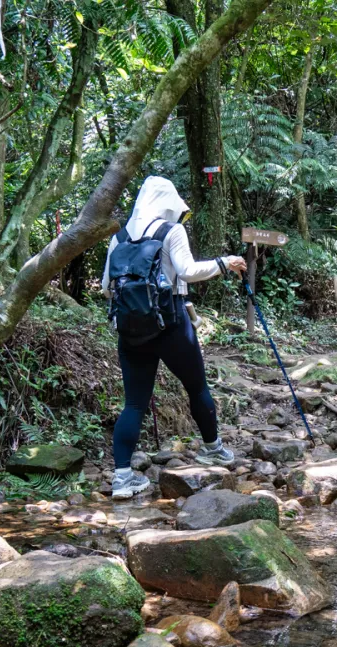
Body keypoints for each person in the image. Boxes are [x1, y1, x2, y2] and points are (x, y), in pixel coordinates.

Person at [102, 176, 246, 499]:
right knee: (197, 387)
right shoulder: (171, 231)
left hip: (130, 332)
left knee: (135, 404)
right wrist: (225, 263)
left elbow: (105, 287)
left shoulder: (119, 238)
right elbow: (187, 271)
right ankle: (212, 448)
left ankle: (122, 477)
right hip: (170, 324)